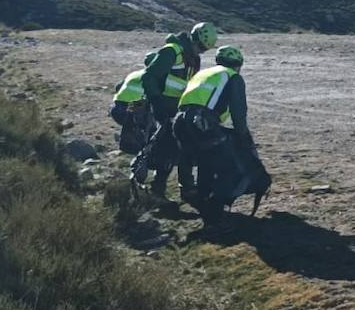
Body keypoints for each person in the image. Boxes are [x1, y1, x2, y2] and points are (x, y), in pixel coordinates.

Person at [172, 45, 269, 220]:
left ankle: (199, 197)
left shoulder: (204, 74)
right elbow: (238, 114)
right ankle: (215, 207)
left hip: (180, 121)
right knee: (228, 165)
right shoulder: (233, 77)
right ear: (238, 64)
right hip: (203, 122)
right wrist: (243, 137)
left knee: (205, 160)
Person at [131, 21, 218, 199]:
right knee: (164, 148)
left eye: (204, 49)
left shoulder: (194, 59)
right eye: (201, 47)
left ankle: (173, 187)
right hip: (162, 108)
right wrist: (156, 101)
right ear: (194, 40)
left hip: (178, 111)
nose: (201, 51)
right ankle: (156, 187)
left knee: (178, 148)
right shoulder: (172, 52)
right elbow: (149, 77)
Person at [110, 55, 155, 154]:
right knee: (150, 110)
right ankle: (142, 146)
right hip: (129, 110)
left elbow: (118, 86)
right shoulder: (153, 76)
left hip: (116, 108)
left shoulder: (134, 74)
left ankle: (126, 145)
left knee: (134, 114)